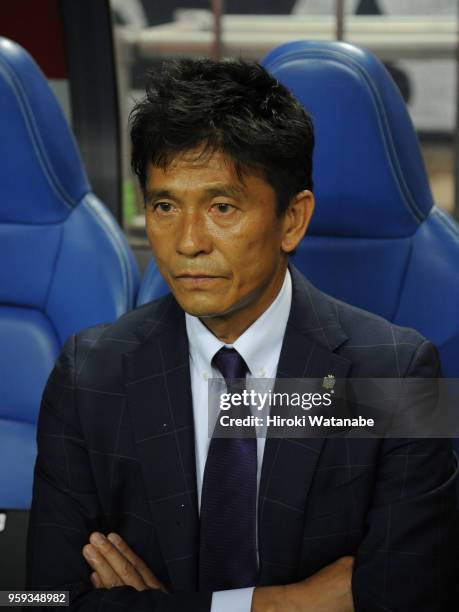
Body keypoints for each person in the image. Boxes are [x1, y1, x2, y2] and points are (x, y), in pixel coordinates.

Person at [26, 58, 458, 611]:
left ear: (292, 221)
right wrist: (280, 605)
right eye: (164, 206)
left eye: (222, 207)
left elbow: (416, 597)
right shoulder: (88, 373)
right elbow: (31, 597)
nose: (187, 243)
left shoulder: (399, 375)